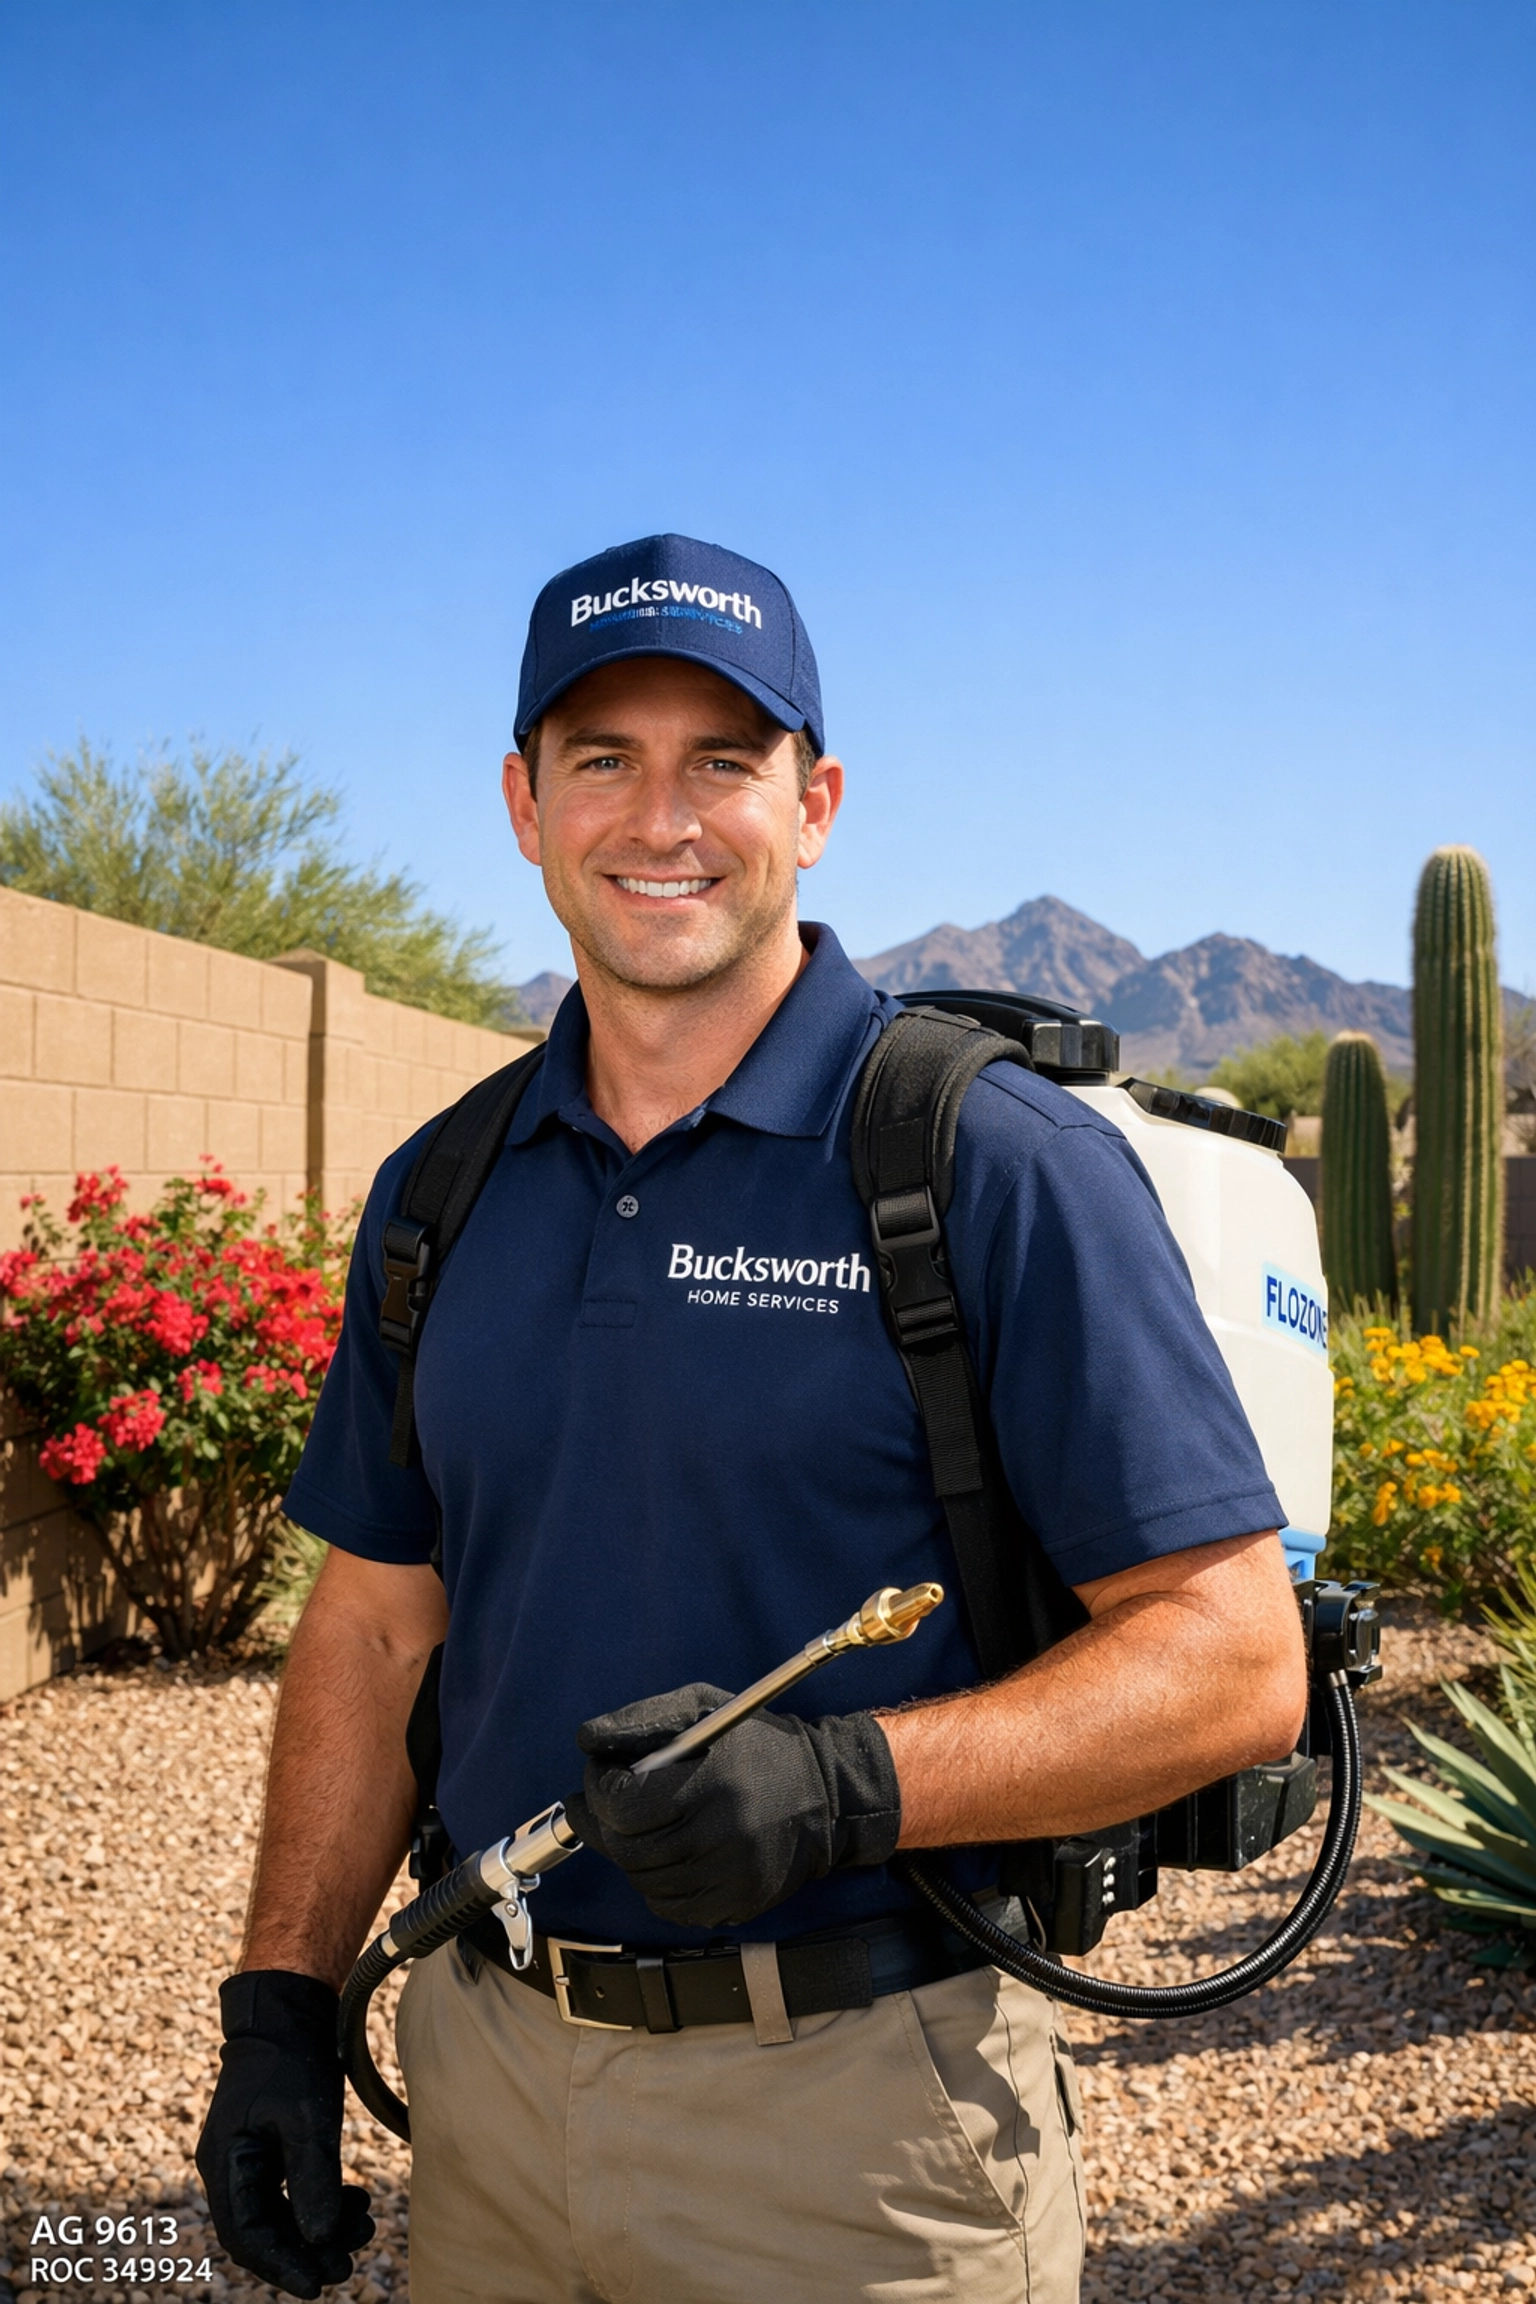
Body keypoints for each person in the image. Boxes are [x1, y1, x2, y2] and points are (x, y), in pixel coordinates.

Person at [196, 533, 1307, 2304]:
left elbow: (1238, 1658)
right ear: (522, 803)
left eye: (723, 759)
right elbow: (377, 1619)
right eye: (603, 761)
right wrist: (277, 2008)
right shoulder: (444, 1190)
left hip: (866, 2130)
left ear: (819, 799)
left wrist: (848, 1783)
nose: (663, 818)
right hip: (486, 2089)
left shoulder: (986, 1167)